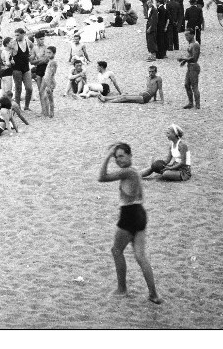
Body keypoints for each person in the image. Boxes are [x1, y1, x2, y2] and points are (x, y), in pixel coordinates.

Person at [97, 143, 162, 305]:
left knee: (116, 250)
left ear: (130, 156)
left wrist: (107, 157)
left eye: (121, 156)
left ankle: (122, 289)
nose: (118, 160)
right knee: (140, 256)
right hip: (140, 214)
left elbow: (101, 177)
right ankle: (154, 294)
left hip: (129, 215)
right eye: (116, 157)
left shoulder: (127, 172)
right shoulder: (133, 172)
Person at [99, 66, 164, 105]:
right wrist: (155, 99)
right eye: (150, 71)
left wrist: (162, 100)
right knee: (124, 95)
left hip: (145, 98)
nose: (151, 73)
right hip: (143, 94)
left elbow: (159, 89)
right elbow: (153, 88)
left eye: (153, 71)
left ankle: (108, 102)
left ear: (156, 72)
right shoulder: (148, 78)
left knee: (125, 98)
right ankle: (105, 98)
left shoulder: (158, 79)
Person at [11, 28, 35, 110]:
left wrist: (32, 55)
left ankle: (26, 106)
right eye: (15, 35)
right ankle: (17, 107)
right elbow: (7, 52)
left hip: (26, 68)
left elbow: (33, 47)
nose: (16, 37)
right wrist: (10, 60)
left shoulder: (28, 41)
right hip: (16, 69)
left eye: (18, 35)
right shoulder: (14, 43)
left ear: (23, 34)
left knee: (29, 88)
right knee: (18, 88)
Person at [179, 29, 201, 109]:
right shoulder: (191, 44)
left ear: (192, 35)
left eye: (187, 35)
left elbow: (194, 58)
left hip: (194, 67)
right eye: (185, 35)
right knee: (186, 84)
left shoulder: (195, 45)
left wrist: (183, 59)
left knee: (194, 86)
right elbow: (190, 55)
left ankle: (197, 104)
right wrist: (184, 61)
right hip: (190, 66)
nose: (186, 37)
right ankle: (191, 103)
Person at [40, 46, 58, 118]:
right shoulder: (50, 61)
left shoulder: (53, 62)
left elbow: (52, 74)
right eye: (47, 52)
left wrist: (49, 85)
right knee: (45, 96)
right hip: (46, 79)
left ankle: (51, 113)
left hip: (50, 81)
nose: (48, 54)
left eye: (50, 53)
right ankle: (47, 113)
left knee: (49, 97)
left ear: (54, 53)